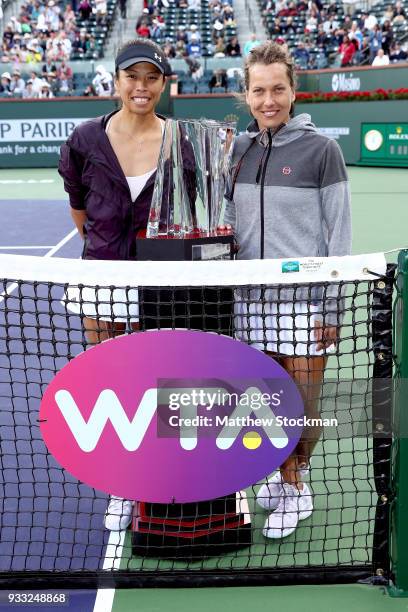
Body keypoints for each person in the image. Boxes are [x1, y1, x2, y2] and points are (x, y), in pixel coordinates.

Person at [58, 39, 195, 532]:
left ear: (163, 84)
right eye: (131, 76)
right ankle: (123, 483)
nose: (141, 86)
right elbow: (79, 208)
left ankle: (161, 472)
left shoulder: (181, 140)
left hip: (163, 283)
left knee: (159, 383)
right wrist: (107, 254)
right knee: (113, 385)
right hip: (102, 278)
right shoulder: (84, 139)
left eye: (151, 77)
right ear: (115, 82)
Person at [222, 41, 351, 539]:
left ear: (293, 91)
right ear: (246, 95)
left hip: (306, 305)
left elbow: (338, 236)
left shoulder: (323, 150)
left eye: (278, 89)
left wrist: (332, 308)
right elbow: (229, 221)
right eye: (259, 91)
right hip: (247, 306)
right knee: (266, 402)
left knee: (305, 402)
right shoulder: (237, 149)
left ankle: (295, 482)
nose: (268, 100)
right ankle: (286, 476)